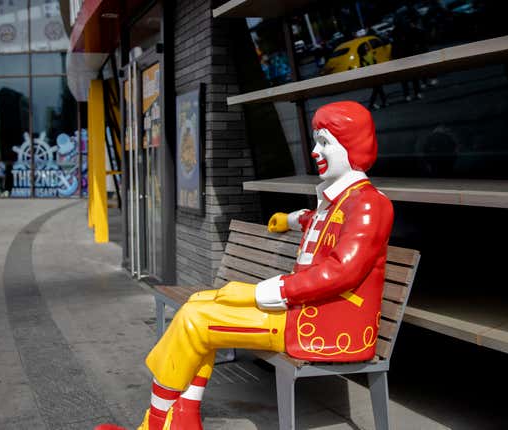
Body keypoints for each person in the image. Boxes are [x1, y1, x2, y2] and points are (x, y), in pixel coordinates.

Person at [95, 101, 394, 430]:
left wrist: (260, 292)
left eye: (324, 142)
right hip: (310, 310)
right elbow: (320, 221)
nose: (313, 150)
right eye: (315, 141)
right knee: (198, 304)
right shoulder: (342, 201)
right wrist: (291, 220)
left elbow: (342, 271)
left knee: (197, 320)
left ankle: (155, 424)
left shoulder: (368, 204)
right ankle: (182, 417)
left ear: (351, 145)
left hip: (327, 324)